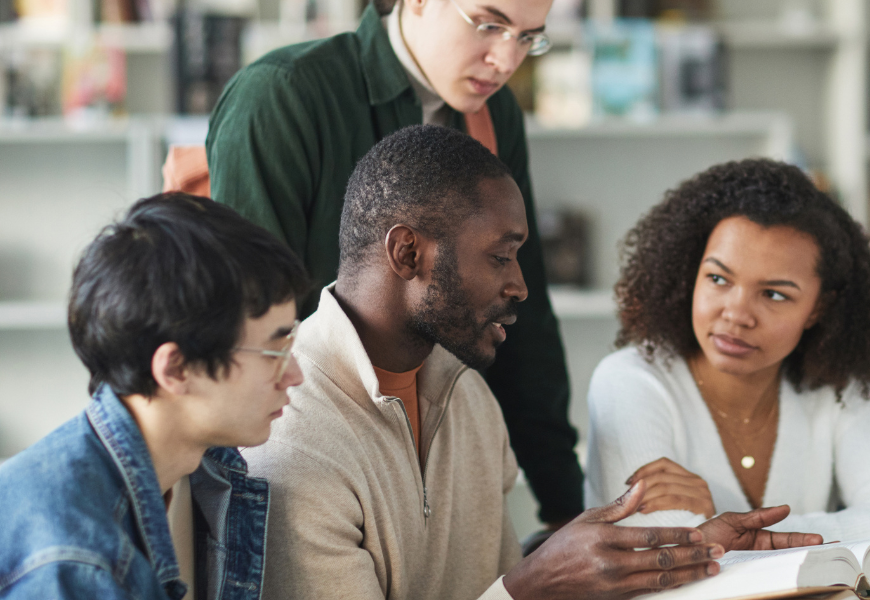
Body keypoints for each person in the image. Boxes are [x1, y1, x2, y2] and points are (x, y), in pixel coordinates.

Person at [242, 125, 823, 600]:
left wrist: (680, 552)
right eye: (500, 257)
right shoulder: (290, 439)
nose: (520, 286)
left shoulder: (464, 391)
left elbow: (484, 591)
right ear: (407, 252)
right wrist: (531, 588)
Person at [206, 0, 583, 529]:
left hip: (436, 446)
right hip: (303, 457)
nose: (505, 60)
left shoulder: (494, 114)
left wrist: (567, 508)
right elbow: (246, 331)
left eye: (528, 37)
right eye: (489, 24)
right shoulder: (283, 94)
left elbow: (526, 312)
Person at [585, 159, 870, 568]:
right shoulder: (629, 380)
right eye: (718, 279)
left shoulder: (833, 387)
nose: (737, 314)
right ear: (689, 272)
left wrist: (721, 526)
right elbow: (671, 557)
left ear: (818, 308)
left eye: (774, 294)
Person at [0, 193, 309, 599]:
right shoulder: (75, 561)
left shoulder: (209, 470)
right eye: (275, 351)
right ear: (175, 369)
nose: (296, 375)